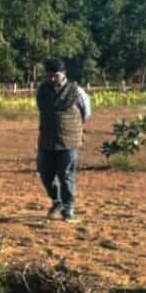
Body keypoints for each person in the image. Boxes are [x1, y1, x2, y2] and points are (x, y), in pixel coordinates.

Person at [36, 58, 91, 222]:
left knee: (66, 175)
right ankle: (57, 201)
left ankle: (68, 209)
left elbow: (85, 113)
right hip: (46, 139)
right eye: (49, 76)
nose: (52, 79)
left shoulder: (76, 91)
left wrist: (70, 127)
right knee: (45, 173)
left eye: (55, 75)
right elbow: (42, 110)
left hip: (69, 141)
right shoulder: (42, 90)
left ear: (63, 73)